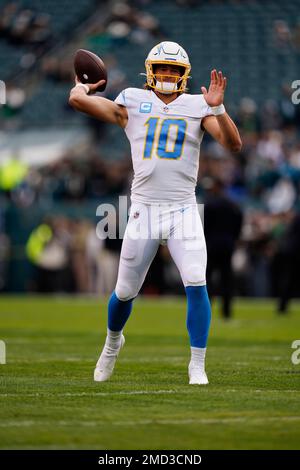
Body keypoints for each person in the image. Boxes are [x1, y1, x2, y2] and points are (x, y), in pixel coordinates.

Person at [69, 41, 242, 385]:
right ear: (150, 71)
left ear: (184, 75)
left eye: (173, 70)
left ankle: (197, 364)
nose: (166, 74)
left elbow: (233, 144)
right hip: (144, 209)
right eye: (162, 68)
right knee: (124, 291)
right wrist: (82, 85)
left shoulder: (197, 105)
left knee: (196, 281)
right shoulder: (133, 99)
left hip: (183, 209)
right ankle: (112, 343)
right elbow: (77, 101)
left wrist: (219, 109)